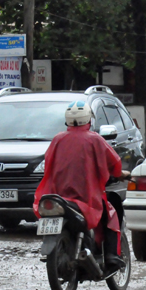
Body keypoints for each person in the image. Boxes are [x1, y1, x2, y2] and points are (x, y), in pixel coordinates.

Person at [33, 101, 129, 274]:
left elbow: (48, 164)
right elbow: (115, 162)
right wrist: (120, 173)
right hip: (87, 198)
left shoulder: (57, 139)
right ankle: (112, 257)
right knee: (111, 216)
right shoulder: (95, 139)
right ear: (89, 119)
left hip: (58, 197)